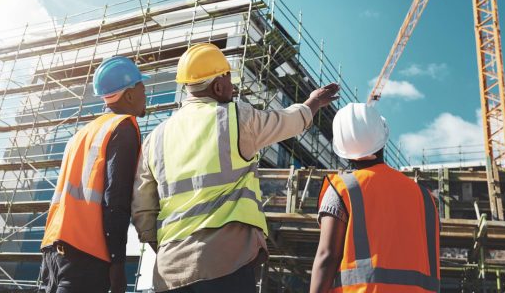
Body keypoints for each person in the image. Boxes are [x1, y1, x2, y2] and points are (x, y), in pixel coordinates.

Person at [132, 42, 339, 292]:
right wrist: (313, 102)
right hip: (225, 265)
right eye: (230, 80)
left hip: (170, 271)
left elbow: (143, 212)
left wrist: (166, 249)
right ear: (218, 85)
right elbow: (287, 121)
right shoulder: (234, 117)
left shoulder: (155, 138)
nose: (233, 87)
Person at [40, 56, 148, 293]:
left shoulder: (81, 134)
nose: (146, 94)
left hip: (53, 249)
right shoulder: (123, 126)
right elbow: (115, 199)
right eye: (142, 87)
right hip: (86, 255)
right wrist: (117, 264)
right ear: (128, 95)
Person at [310, 103, 440, 293]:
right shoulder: (426, 198)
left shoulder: (342, 188)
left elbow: (327, 256)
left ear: (342, 148)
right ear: (383, 139)